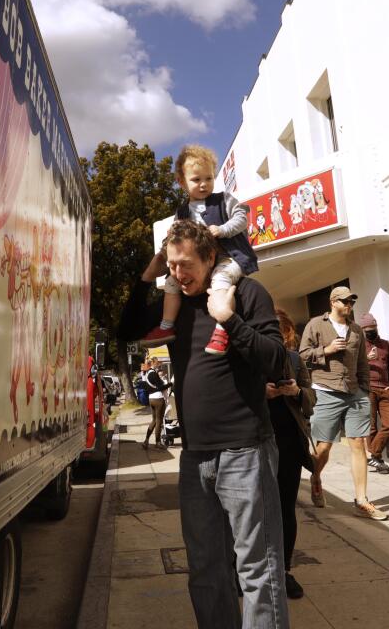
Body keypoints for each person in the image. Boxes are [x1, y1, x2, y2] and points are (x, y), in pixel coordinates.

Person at [119, 219, 289, 629]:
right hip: (195, 457)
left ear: (211, 258)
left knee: (258, 572)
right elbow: (125, 330)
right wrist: (150, 271)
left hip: (245, 449)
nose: (178, 274)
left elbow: (277, 361)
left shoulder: (246, 292)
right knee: (205, 571)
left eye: (186, 264)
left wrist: (229, 320)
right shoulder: (172, 305)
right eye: (172, 264)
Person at [140, 144, 259, 356]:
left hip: (229, 258)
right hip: (200, 263)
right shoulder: (182, 212)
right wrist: (163, 253)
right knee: (171, 282)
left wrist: (222, 230)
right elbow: (174, 239)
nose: (204, 184)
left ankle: (223, 329)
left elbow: (242, 219)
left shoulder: (224, 199)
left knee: (221, 279)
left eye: (209, 178)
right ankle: (166, 327)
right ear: (181, 182)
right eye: (196, 180)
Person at [299, 286, 388, 520]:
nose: (349, 305)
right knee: (324, 447)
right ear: (333, 302)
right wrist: (326, 350)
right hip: (326, 391)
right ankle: (316, 477)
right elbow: (301, 355)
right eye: (345, 301)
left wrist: (365, 390)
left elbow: (362, 364)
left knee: (359, 443)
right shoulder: (316, 325)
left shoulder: (356, 330)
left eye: (351, 301)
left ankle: (361, 500)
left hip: (355, 391)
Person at [271, 309, 316, 600]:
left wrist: (296, 391)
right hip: (252, 443)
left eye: (276, 330)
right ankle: (243, 568)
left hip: (288, 442)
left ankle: (284, 571)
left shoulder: (295, 359)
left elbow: (312, 401)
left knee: (285, 507)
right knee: (250, 511)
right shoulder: (247, 357)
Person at [359, 313, 389, 474]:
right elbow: (353, 368)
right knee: (372, 427)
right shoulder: (359, 347)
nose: (371, 332)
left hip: (385, 390)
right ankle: (378, 460)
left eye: (373, 329)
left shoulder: (385, 345)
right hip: (368, 389)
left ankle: (372, 455)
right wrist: (367, 359)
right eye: (367, 330)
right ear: (362, 330)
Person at [143, 357, 171, 449]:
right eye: (157, 363)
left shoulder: (147, 373)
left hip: (151, 398)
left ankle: (146, 441)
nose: (159, 365)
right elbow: (161, 387)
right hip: (158, 398)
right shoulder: (154, 374)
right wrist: (171, 384)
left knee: (154, 420)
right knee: (159, 421)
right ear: (153, 363)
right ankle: (158, 442)